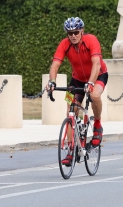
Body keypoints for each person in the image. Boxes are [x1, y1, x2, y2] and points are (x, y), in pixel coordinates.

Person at [46, 17, 108, 165]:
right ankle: (71, 150)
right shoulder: (64, 44)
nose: (73, 36)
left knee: (94, 95)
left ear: (82, 31)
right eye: (70, 33)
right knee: (70, 111)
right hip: (77, 79)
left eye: (76, 32)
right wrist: (52, 82)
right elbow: (55, 65)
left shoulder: (91, 40)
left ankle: (98, 125)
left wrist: (91, 82)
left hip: (98, 75)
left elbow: (96, 63)